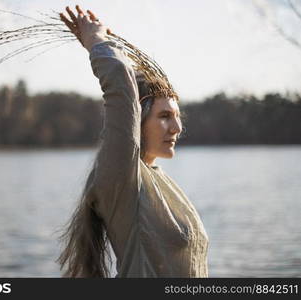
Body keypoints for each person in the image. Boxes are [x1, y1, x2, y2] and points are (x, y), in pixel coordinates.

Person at [57, 5, 209, 278]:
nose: (176, 127)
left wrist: (111, 42)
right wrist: (98, 42)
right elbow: (122, 89)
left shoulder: (158, 180)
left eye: (176, 115)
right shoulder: (122, 181)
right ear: (136, 121)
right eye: (164, 116)